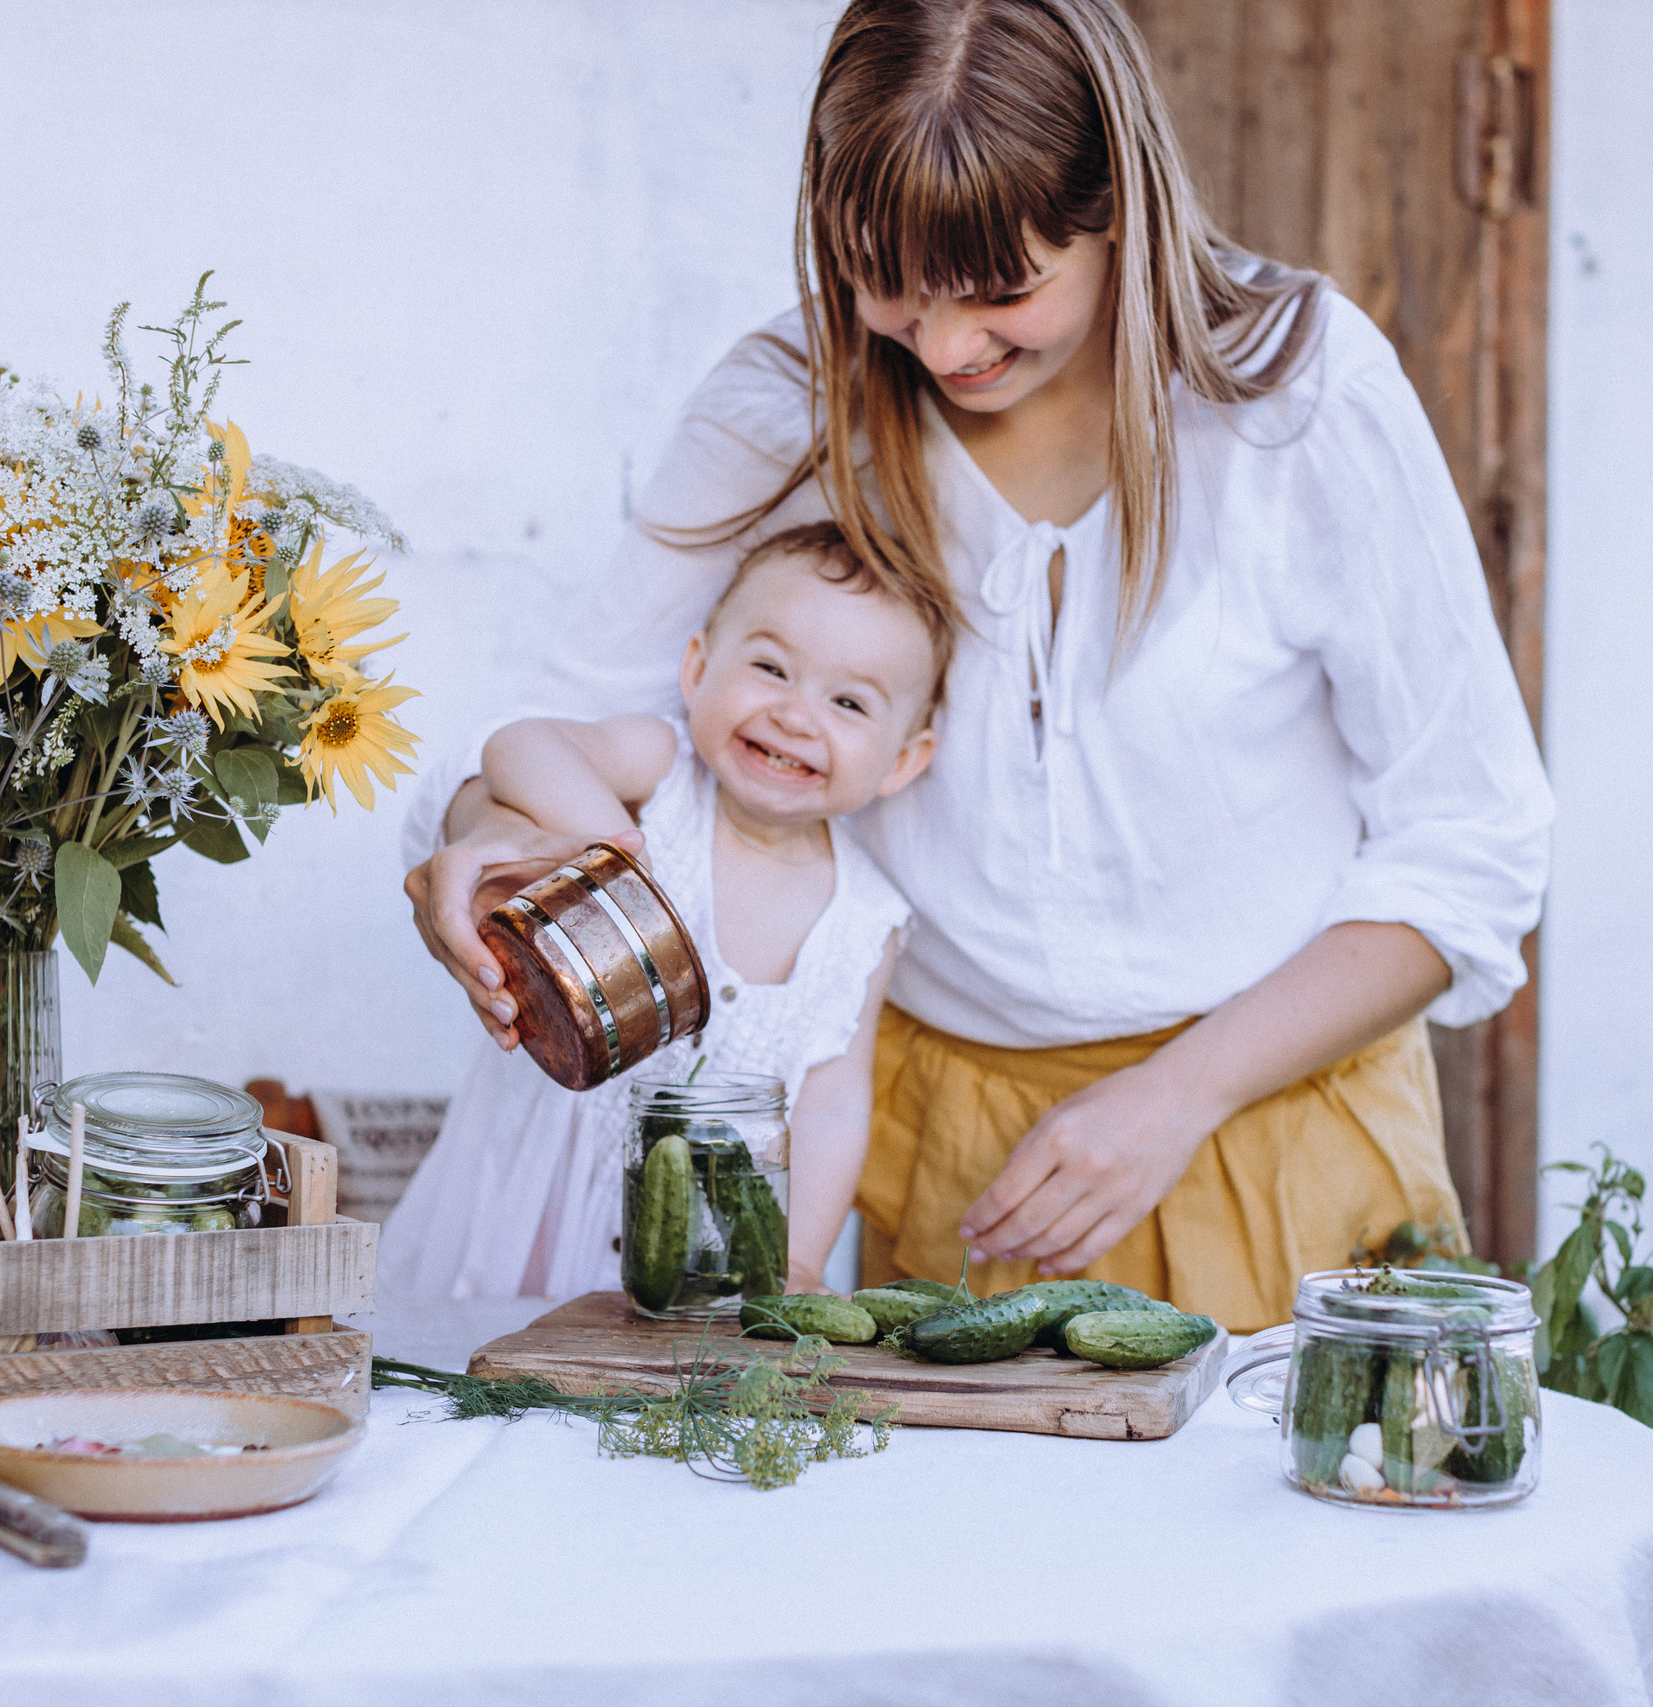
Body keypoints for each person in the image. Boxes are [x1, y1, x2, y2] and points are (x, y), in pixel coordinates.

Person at [404, 0, 1550, 1332]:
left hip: (1274, 1137)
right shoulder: (791, 404)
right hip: (943, 1162)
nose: (945, 348)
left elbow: (1474, 845)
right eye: (888, 282)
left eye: (1005, 290)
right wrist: (481, 838)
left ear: (1118, 204)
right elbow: (580, 712)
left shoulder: (1295, 399)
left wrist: (1177, 1095)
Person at [379, 523, 946, 1304]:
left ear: (905, 759)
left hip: (695, 1260)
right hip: (523, 1206)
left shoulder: (866, 917)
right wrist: (611, 855)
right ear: (697, 667)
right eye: (771, 667)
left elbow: (835, 1107)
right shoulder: (659, 773)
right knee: (477, 1378)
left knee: (649, 1411)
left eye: (848, 701)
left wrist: (801, 1258)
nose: (794, 713)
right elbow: (521, 744)